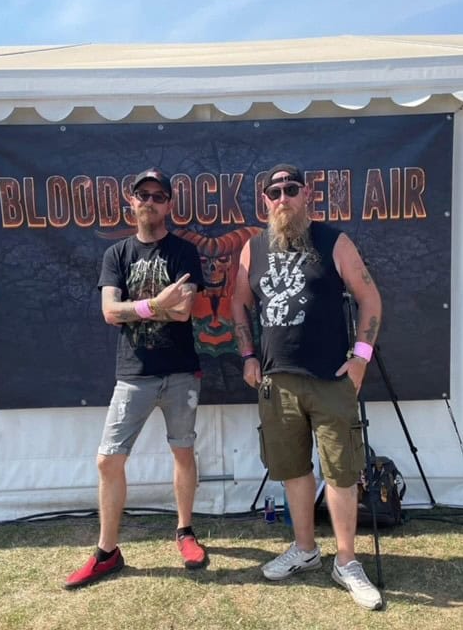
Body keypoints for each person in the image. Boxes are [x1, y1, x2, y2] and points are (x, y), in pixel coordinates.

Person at [231, 164, 383, 610]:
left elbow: (370, 298)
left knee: (340, 471)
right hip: (277, 383)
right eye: (274, 191)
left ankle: (347, 561)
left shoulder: (334, 241)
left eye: (290, 189)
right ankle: (305, 549)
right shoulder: (251, 249)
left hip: (332, 379)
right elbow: (238, 302)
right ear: (264, 201)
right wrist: (247, 355)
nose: (283, 197)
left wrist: (361, 359)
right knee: (293, 469)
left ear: (306, 194)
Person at [65, 167, 207, 589]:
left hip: (180, 371)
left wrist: (140, 306)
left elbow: (183, 311)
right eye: (142, 194)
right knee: (108, 459)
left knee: (183, 451)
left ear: (168, 204)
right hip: (133, 374)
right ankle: (108, 552)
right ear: (131, 201)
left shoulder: (184, 252)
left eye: (158, 195)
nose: (149, 201)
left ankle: (185, 531)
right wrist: (155, 303)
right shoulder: (117, 255)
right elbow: (110, 313)